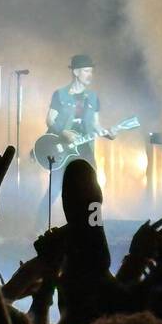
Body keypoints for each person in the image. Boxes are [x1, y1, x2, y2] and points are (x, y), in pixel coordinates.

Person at [36, 54, 115, 228]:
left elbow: (95, 124)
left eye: (91, 71)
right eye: (87, 71)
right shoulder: (60, 95)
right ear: (76, 72)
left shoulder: (93, 97)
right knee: (55, 189)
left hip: (85, 148)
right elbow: (50, 120)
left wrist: (107, 132)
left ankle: (94, 226)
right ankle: (39, 228)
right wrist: (64, 133)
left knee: (94, 186)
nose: (90, 74)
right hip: (63, 150)